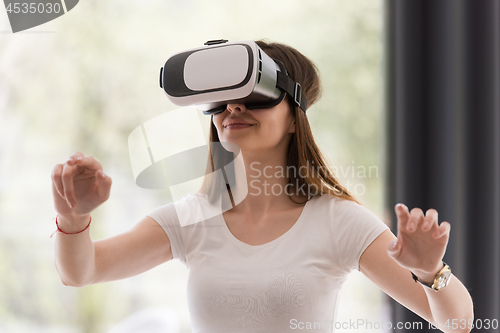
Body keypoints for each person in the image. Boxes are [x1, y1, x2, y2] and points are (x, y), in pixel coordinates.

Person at [51, 40, 474, 333]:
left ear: (295, 116)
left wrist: (429, 272)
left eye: (255, 95)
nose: (233, 107)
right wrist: (73, 215)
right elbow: (81, 271)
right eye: (221, 98)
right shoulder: (192, 218)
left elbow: (457, 323)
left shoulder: (338, 220)